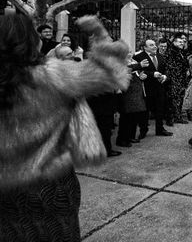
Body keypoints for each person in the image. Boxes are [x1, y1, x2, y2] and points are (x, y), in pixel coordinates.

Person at [0, 13, 129, 241]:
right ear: (32, 39)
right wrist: (99, 33)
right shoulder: (51, 75)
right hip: (50, 185)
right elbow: (112, 73)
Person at [134, 39, 172, 137]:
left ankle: (160, 129)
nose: (155, 46)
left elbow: (166, 70)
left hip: (159, 87)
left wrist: (164, 76)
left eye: (155, 44)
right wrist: (152, 74)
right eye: (151, 45)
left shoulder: (160, 56)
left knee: (160, 109)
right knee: (145, 110)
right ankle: (143, 130)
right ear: (145, 47)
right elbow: (137, 71)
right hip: (146, 88)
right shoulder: (138, 57)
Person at [116, 53, 149, 147]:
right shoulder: (120, 63)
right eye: (127, 52)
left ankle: (130, 136)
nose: (130, 54)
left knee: (133, 116)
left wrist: (142, 76)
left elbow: (137, 72)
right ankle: (122, 139)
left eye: (130, 51)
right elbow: (125, 70)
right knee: (126, 117)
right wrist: (139, 65)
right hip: (127, 93)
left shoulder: (133, 62)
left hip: (135, 93)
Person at [164, 32, 190, 125]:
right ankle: (170, 119)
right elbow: (169, 66)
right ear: (174, 42)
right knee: (172, 99)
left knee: (180, 98)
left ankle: (178, 117)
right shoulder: (171, 52)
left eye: (183, 42)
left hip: (181, 79)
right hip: (174, 79)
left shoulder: (181, 52)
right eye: (179, 42)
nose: (182, 43)